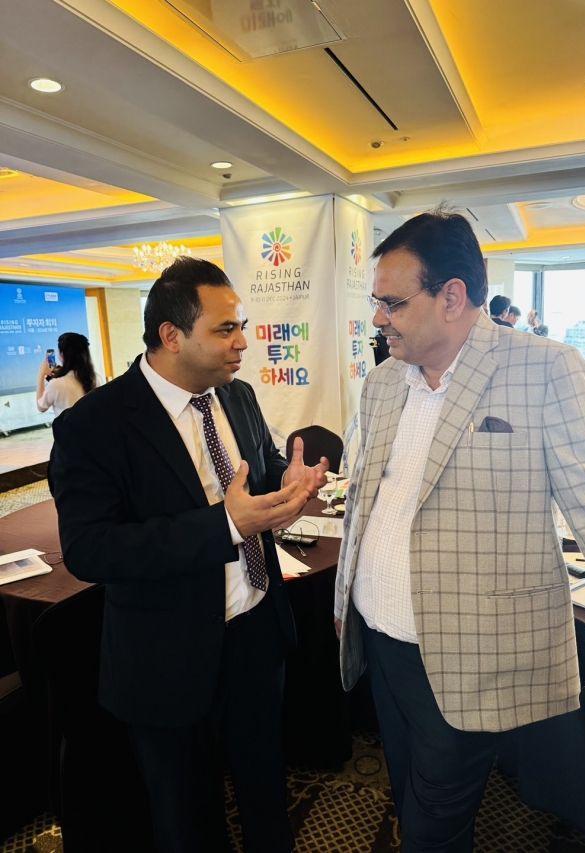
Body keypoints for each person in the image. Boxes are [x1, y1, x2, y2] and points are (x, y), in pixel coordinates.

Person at [334, 209, 585, 853]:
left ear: (452, 296)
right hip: (382, 642)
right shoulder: (383, 381)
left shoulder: (546, 369)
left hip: (473, 648)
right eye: (376, 302)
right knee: (411, 786)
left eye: (392, 302)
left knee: (432, 819)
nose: (378, 318)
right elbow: (373, 494)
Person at [49, 258, 328, 853]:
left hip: (256, 630)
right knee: (185, 813)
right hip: (164, 654)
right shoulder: (94, 425)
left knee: (264, 788)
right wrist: (224, 525)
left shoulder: (240, 397)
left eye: (242, 325)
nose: (243, 342)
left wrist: (291, 487)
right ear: (171, 336)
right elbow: (91, 549)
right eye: (225, 330)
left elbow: (261, 473)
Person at [36, 332, 99, 417]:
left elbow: (41, 407)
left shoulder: (56, 384)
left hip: (68, 430)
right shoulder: (93, 378)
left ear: (62, 353)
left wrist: (41, 374)